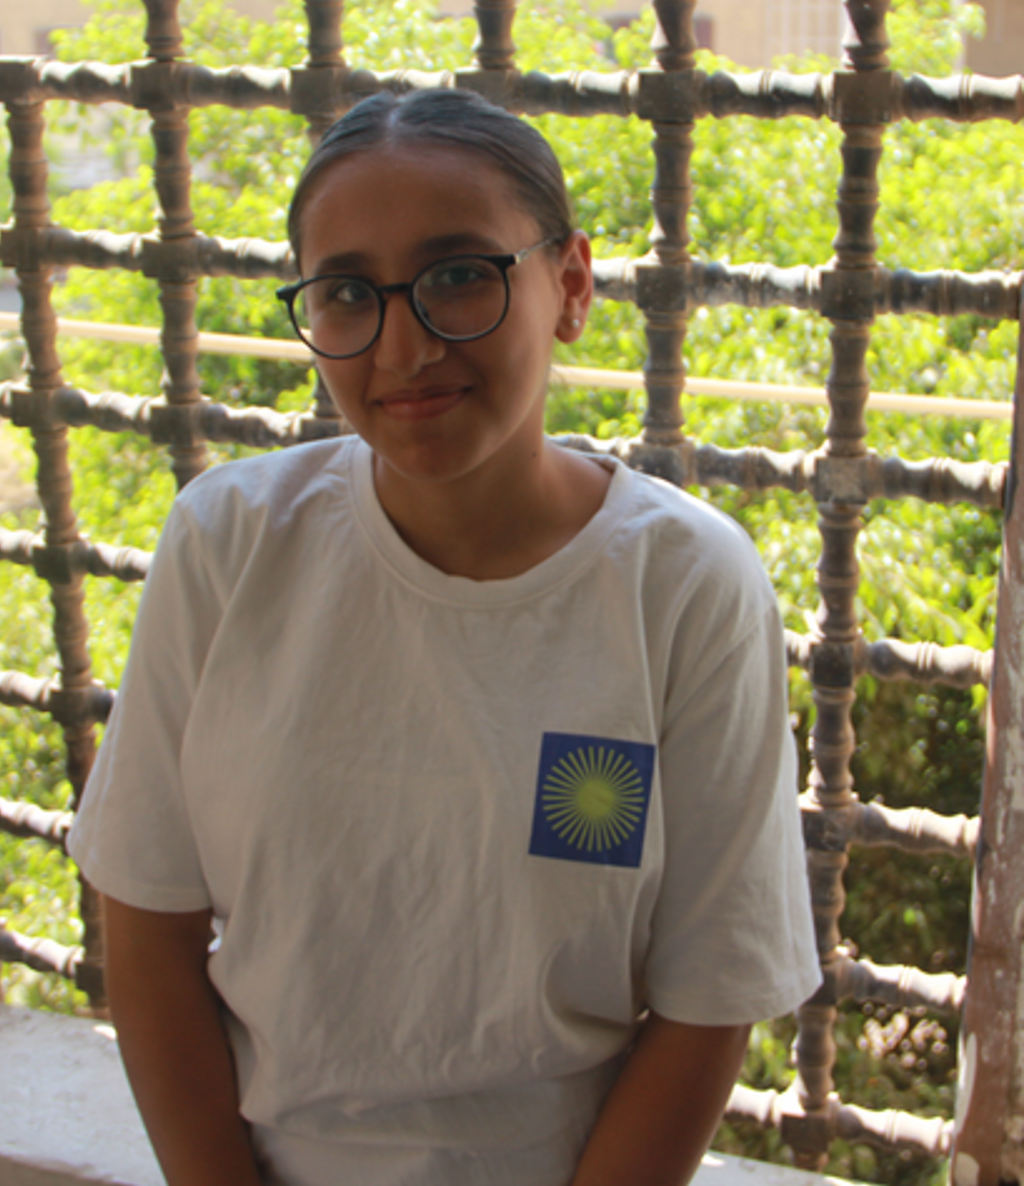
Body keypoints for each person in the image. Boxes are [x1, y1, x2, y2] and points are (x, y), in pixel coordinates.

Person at [68, 88, 821, 1186]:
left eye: (460, 274)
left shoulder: (682, 585)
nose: (405, 346)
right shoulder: (231, 543)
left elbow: (711, 992)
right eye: (346, 294)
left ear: (571, 285)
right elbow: (146, 919)